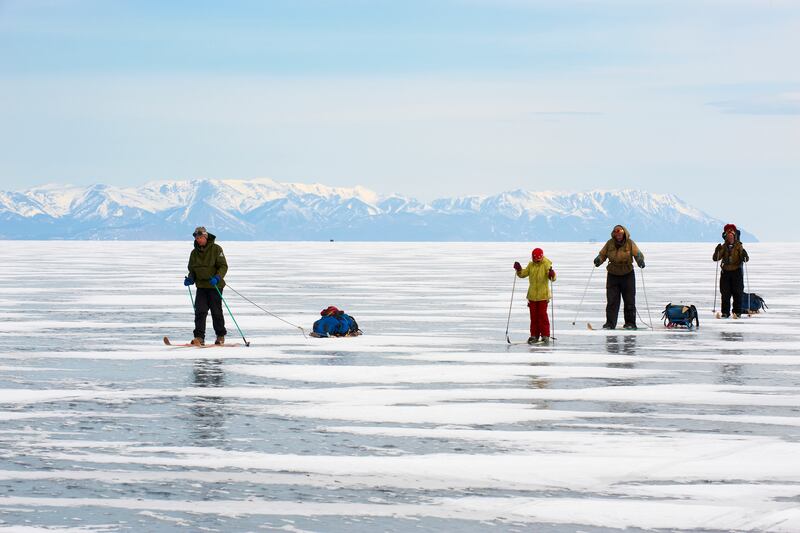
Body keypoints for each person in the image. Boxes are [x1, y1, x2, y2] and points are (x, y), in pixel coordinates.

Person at [593, 225, 644, 330]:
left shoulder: (630, 243)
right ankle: (610, 324)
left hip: (627, 274)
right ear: (614, 234)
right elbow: (602, 254)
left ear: (624, 234)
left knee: (629, 300)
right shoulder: (609, 243)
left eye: (620, 234)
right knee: (612, 301)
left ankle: (630, 323)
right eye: (616, 234)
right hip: (613, 274)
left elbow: (637, 253)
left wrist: (640, 260)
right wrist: (599, 259)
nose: (618, 236)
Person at [183, 226, 228, 345]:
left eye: (200, 237)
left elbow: (223, 266)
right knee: (200, 311)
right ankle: (199, 337)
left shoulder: (216, 249)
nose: (198, 240)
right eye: (197, 238)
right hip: (201, 286)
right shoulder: (194, 253)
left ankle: (220, 336)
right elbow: (192, 269)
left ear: (205, 237)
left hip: (215, 286)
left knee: (216, 312)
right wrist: (190, 279)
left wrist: (217, 277)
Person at [514, 247, 557, 344]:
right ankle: (534, 335)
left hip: (543, 296)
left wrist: (552, 274)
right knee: (533, 317)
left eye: (537, 259)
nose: (535, 260)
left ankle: (545, 335)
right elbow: (523, 274)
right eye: (533, 258)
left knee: (542, 316)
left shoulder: (546, 265)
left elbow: (553, 278)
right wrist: (519, 269)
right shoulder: (531, 265)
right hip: (532, 296)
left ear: (541, 257)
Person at [713, 223, 749, 318]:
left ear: (734, 236)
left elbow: (745, 259)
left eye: (731, 235)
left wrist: (744, 255)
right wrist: (717, 251)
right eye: (728, 236)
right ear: (726, 237)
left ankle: (737, 312)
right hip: (725, 273)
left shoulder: (739, 246)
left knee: (738, 293)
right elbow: (716, 258)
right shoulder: (723, 247)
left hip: (736, 272)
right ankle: (725, 312)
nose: (730, 237)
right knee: (725, 294)